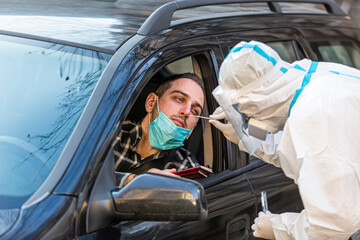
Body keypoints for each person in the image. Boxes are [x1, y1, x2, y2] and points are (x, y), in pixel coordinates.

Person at [209, 40, 360, 240]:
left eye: (242, 108)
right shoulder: (314, 77)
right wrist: (245, 138)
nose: (245, 116)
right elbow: (304, 152)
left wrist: (278, 227)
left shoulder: (313, 114)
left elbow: (336, 224)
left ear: (256, 99)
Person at [113, 73, 205, 188]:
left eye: (195, 111)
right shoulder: (111, 134)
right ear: (151, 102)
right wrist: (135, 181)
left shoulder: (185, 169)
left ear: (191, 131)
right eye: (180, 99)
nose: (187, 112)